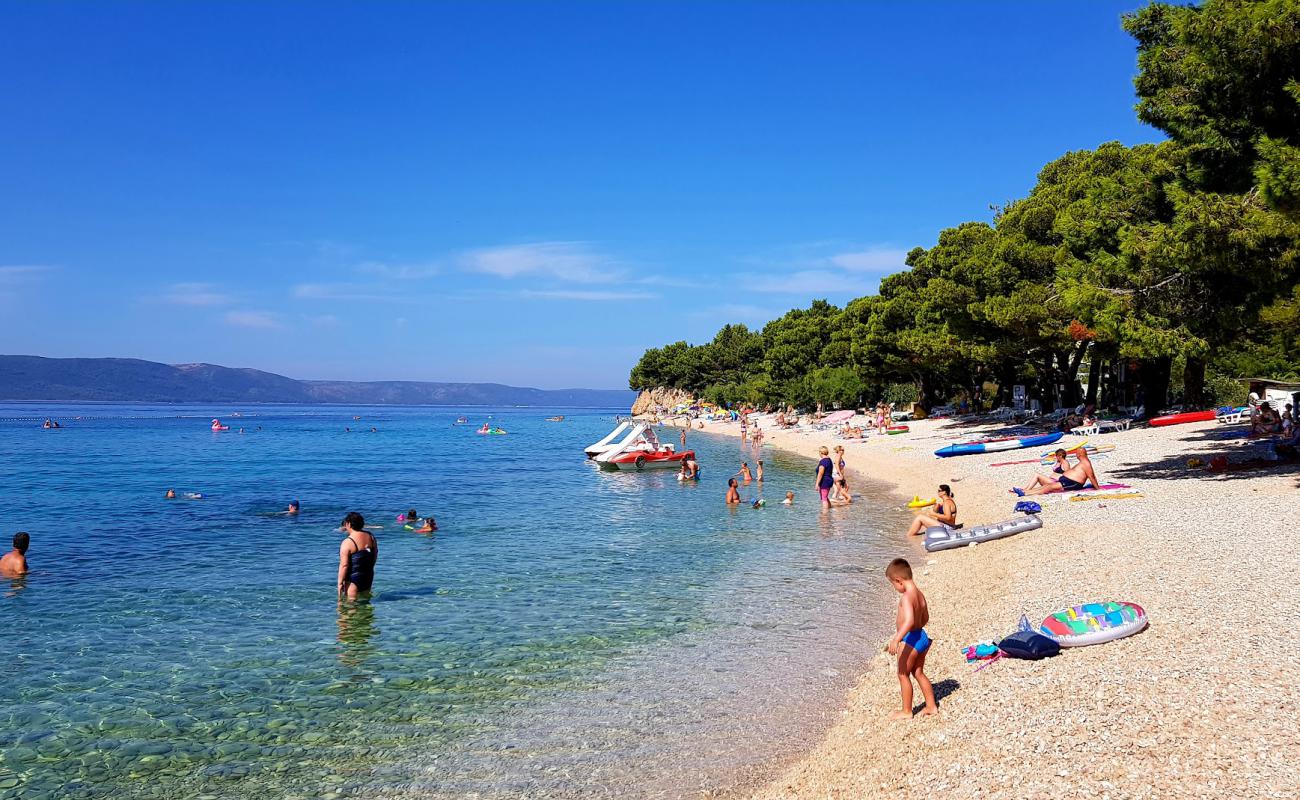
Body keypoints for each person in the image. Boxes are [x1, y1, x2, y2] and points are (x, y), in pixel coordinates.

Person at [884, 558, 938, 719]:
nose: (894, 588)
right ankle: (931, 706)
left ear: (898, 581)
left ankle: (906, 711)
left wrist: (896, 639)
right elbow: (925, 617)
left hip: (911, 639)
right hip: (922, 636)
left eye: (892, 584)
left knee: (902, 674)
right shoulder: (919, 594)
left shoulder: (907, 597)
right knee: (918, 672)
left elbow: (909, 621)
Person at [1016, 449, 1101, 495]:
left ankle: (1025, 493)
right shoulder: (1083, 462)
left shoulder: (1086, 463)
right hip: (1067, 481)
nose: (1076, 455)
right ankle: (1026, 491)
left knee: (1049, 487)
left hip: (1072, 483)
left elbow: (1091, 476)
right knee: (1049, 485)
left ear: (1080, 454)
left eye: (1077, 454)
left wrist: (1098, 489)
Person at [338, 512, 378, 600]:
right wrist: (369, 569)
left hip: (353, 579)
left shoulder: (347, 542)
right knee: (366, 604)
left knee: (350, 607)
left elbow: (344, 565)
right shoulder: (371, 537)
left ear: (348, 524)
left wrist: (340, 583)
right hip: (368, 576)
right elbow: (374, 555)